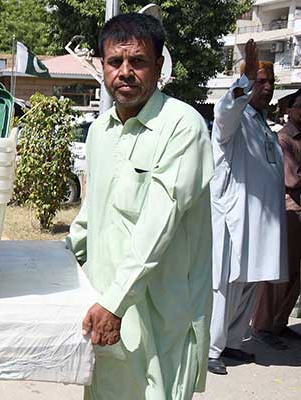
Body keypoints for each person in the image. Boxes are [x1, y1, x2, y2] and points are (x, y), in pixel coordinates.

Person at [67, 13, 213, 400]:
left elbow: (158, 225)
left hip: (162, 314)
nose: (125, 72)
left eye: (139, 62)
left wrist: (115, 303)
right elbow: (90, 217)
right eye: (115, 62)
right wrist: (59, 266)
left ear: (159, 66)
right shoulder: (100, 131)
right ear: (102, 66)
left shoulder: (182, 126)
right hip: (105, 308)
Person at [207, 39, 287, 375]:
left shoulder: (263, 124)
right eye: (259, 81)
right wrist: (243, 83)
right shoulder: (234, 119)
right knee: (227, 283)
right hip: (234, 217)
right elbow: (224, 113)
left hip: (262, 221)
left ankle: (233, 343)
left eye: (270, 83)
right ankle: (211, 349)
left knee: (251, 282)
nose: (266, 88)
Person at [251, 90, 301, 349]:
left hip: (296, 209)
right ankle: (262, 326)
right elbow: (291, 179)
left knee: (295, 274)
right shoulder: (284, 138)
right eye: (300, 107)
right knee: (278, 272)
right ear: (290, 110)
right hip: (289, 209)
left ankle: (279, 323)